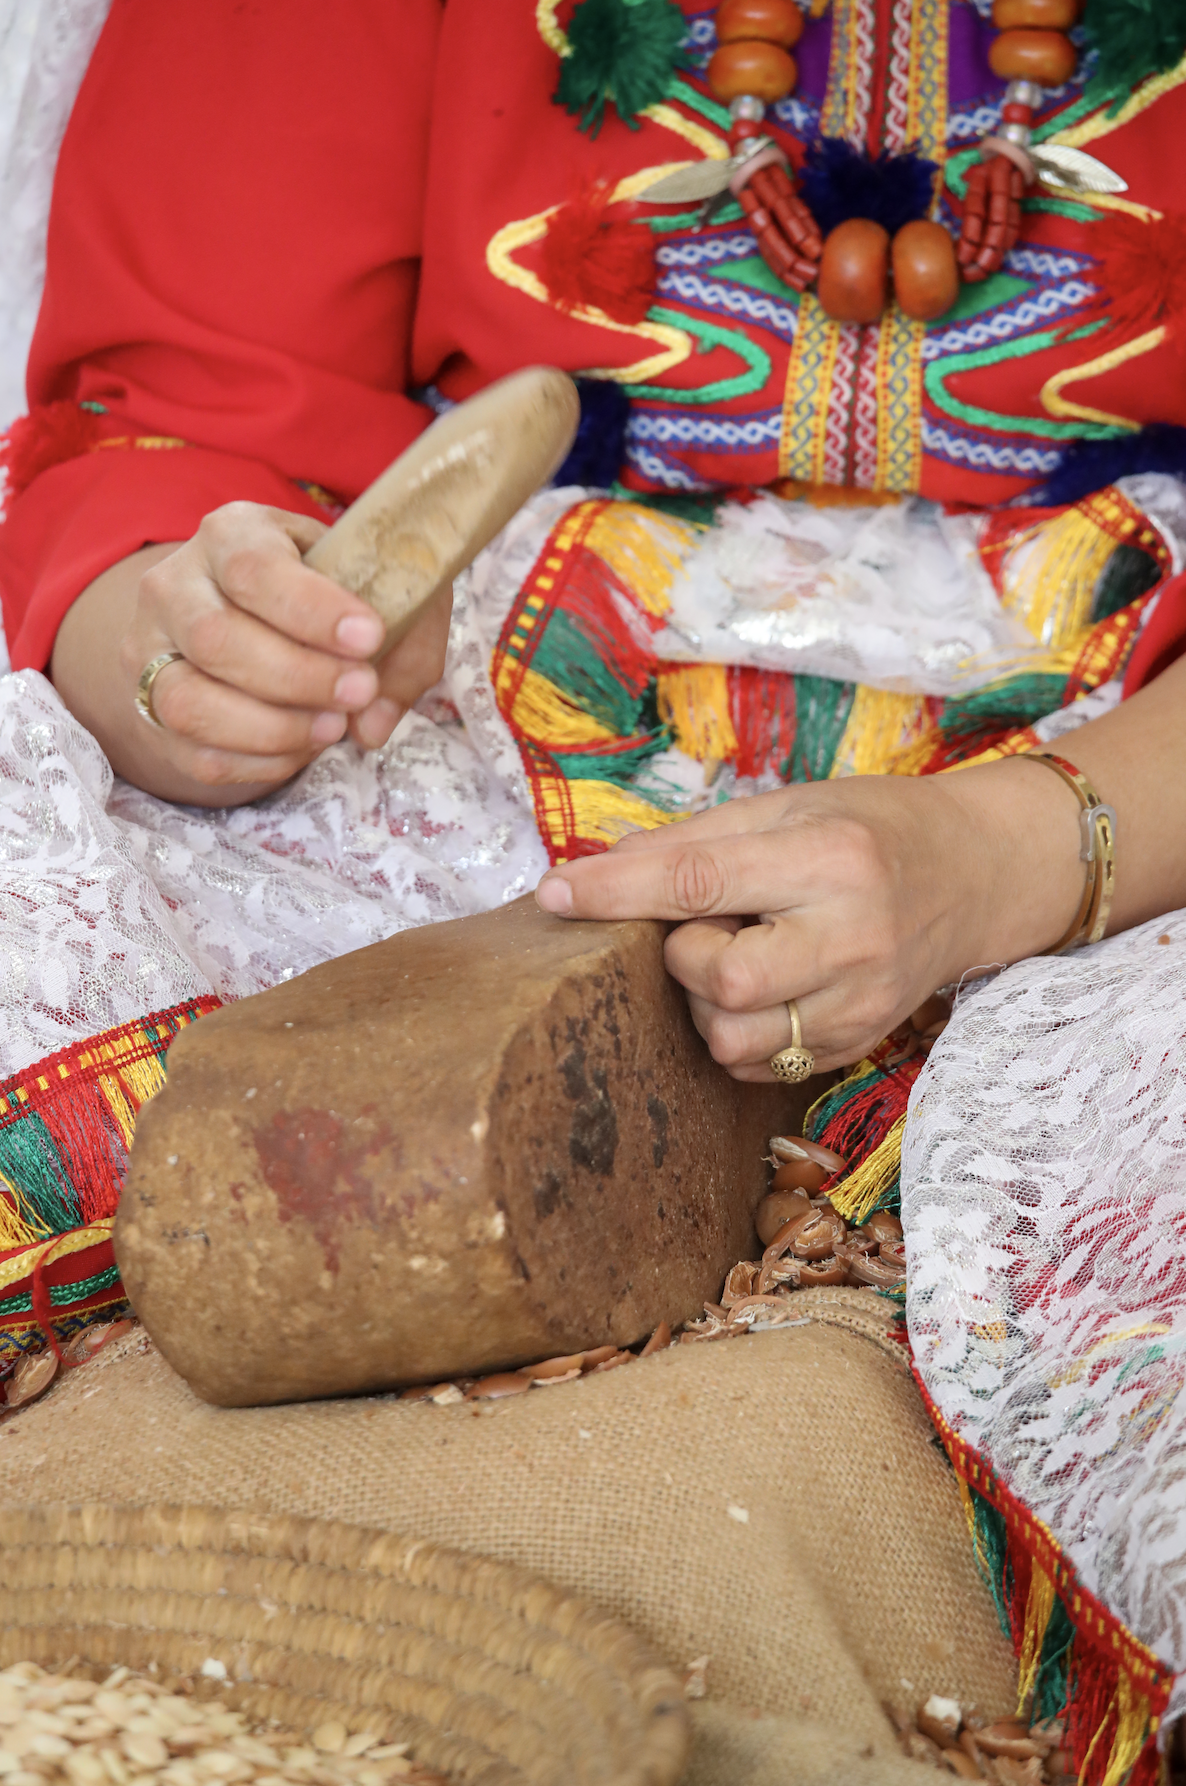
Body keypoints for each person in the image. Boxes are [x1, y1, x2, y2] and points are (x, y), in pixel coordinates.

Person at [2, 1, 1186, 1769]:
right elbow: (171, 421)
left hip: (1130, 809)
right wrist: (196, 642)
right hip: (451, 750)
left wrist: (1014, 850)